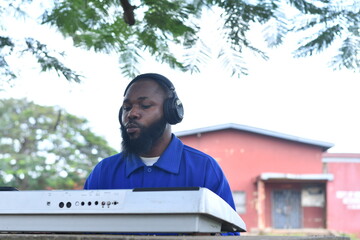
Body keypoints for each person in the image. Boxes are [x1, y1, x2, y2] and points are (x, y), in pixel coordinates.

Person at [84, 73, 239, 235]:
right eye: (126, 108)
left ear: (170, 112)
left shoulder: (204, 168)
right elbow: (80, 229)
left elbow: (230, 233)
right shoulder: (104, 171)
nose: (131, 114)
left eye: (144, 106)